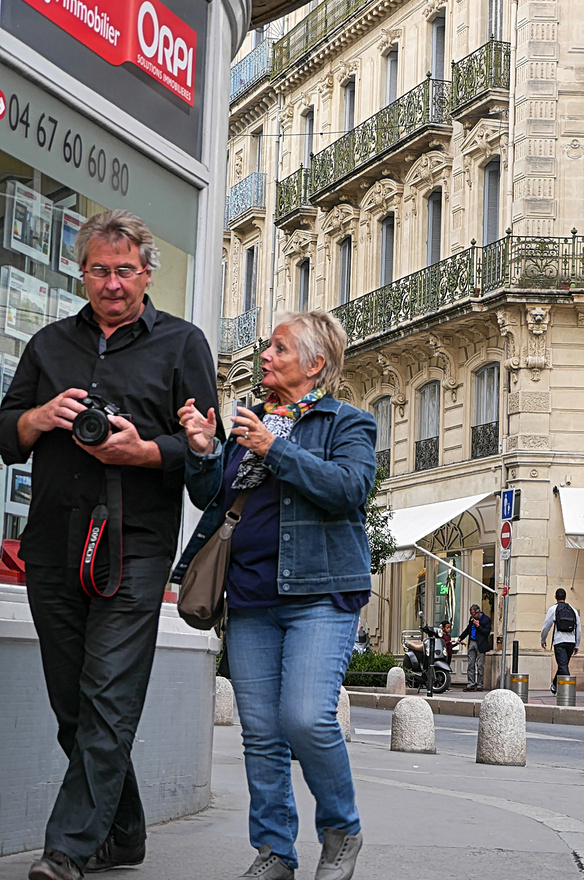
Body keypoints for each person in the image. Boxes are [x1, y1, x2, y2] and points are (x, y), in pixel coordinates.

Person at [0, 211, 221, 880]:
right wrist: (39, 417)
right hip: (51, 546)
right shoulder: (47, 344)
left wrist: (147, 450)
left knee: (108, 698)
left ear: (147, 273)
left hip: (136, 548)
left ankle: (66, 848)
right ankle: (123, 832)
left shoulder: (184, 344)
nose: (112, 283)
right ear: (82, 271)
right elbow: (5, 431)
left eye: (125, 270)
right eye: (99, 269)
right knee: (74, 703)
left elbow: (207, 455)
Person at [173, 310, 377, 880]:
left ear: (315, 364)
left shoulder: (348, 423)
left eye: (280, 349)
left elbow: (350, 489)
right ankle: (274, 853)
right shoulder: (250, 421)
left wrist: (274, 448)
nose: (265, 356)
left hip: (320, 593)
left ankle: (341, 832)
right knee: (261, 735)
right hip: (250, 597)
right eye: (267, 348)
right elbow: (211, 498)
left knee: (307, 719)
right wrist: (202, 450)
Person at [541, 587, 581, 694]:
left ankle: (569, 691)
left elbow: (546, 626)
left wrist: (543, 639)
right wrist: (577, 644)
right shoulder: (573, 610)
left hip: (559, 642)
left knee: (563, 666)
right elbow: (579, 628)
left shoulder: (553, 609)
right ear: (565, 597)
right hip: (571, 642)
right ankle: (554, 685)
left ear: (555, 597)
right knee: (563, 665)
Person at [458, 603, 492, 691]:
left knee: (480, 665)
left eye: (473, 614)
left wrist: (478, 626)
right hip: (472, 642)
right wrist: (460, 637)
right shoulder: (472, 620)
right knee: (470, 664)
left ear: (478, 612)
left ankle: (480, 684)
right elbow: (468, 629)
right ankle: (471, 683)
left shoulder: (486, 620)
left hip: (480, 644)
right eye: (471, 614)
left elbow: (486, 633)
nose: (472, 616)